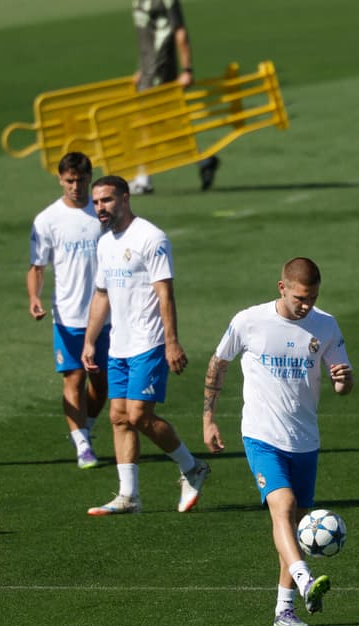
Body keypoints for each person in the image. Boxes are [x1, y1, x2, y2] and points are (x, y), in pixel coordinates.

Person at [202, 258, 354, 626]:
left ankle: (284, 611)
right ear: (282, 287)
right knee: (282, 507)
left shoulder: (326, 325)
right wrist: (208, 419)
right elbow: (218, 363)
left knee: (296, 523)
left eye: (312, 298)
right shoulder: (249, 321)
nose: (306, 305)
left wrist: (343, 380)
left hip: (305, 439)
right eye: (300, 297)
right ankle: (305, 580)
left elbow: (342, 385)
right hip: (261, 435)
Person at [82, 175, 209, 514]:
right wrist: (90, 340)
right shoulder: (104, 243)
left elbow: (165, 293)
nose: (100, 208)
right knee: (118, 417)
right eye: (96, 202)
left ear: (125, 198)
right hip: (119, 345)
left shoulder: (151, 238)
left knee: (139, 415)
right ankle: (129, 496)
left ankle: (192, 467)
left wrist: (172, 342)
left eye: (107, 200)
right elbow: (101, 295)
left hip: (149, 342)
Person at [27, 152, 109, 469]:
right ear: (60, 179)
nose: (76, 186)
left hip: (106, 316)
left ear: (90, 178)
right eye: (70, 180)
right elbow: (37, 266)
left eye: (81, 180)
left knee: (100, 383)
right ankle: (83, 445)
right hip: (69, 316)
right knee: (73, 377)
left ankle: (84, 428)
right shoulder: (47, 219)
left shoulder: (103, 213)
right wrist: (34, 296)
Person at [129, 0, 220, 195]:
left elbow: (180, 31)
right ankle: (204, 161)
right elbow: (147, 35)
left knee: (145, 121)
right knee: (165, 125)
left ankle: (143, 179)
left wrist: (187, 69)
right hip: (149, 69)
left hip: (160, 68)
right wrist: (142, 68)